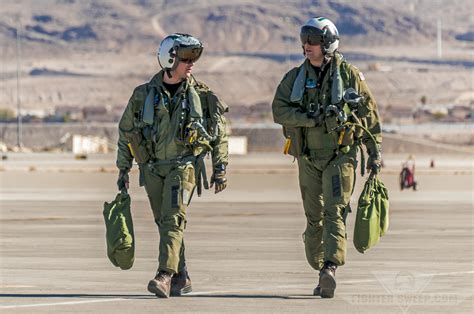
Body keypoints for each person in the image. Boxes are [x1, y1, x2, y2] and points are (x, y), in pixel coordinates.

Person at [272, 17, 382, 298]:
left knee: (335, 212)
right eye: (304, 40)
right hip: (308, 158)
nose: (307, 45)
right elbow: (279, 111)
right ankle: (320, 267)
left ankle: (330, 268)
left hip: (340, 156)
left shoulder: (350, 77)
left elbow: (369, 116)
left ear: (327, 43)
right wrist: (309, 118)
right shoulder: (295, 78)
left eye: (313, 41)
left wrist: (374, 152)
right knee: (313, 219)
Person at [116, 33, 229, 298]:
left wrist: (220, 167)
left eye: (193, 59)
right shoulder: (143, 95)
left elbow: (220, 134)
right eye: (186, 59)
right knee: (164, 222)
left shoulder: (202, 95)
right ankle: (182, 275)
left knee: (173, 219)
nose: (191, 65)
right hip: (153, 168)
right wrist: (123, 168)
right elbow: (126, 132)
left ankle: (164, 275)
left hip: (184, 166)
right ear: (169, 59)